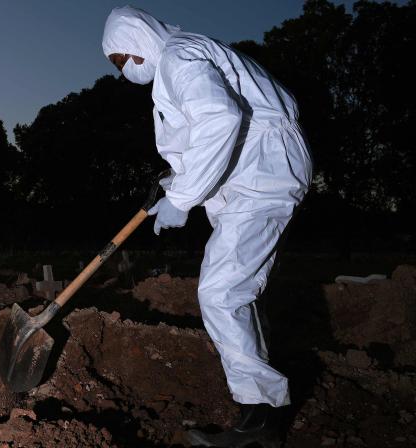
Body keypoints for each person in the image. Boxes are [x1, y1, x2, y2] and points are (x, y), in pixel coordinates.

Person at [102, 6, 312, 447]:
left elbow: (221, 120)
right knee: (238, 290)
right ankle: (260, 408)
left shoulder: (179, 58)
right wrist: (174, 182)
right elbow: (203, 133)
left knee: (220, 292)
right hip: (248, 175)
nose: (127, 73)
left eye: (125, 60)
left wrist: (181, 198)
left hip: (261, 173)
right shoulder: (181, 59)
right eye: (119, 67)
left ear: (140, 40)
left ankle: (261, 419)